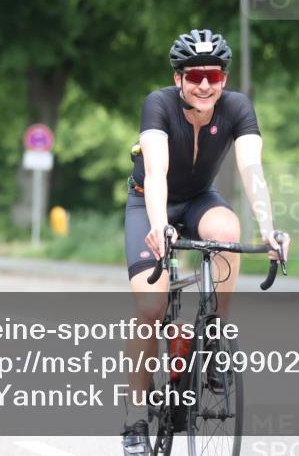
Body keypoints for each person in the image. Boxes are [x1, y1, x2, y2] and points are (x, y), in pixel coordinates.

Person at [121, 29, 289, 455]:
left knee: (229, 233)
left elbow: (252, 170)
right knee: (151, 309)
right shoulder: (157, 105)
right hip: (150, 203)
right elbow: (156, 173)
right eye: (194, 75)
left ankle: (214, 336)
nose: (203, 84)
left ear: (224, 80)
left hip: (199, 201)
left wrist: (269, 230)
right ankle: (135, 415)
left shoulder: (237, 108)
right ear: (178, 78)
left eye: (212, 75)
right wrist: (159, 227)